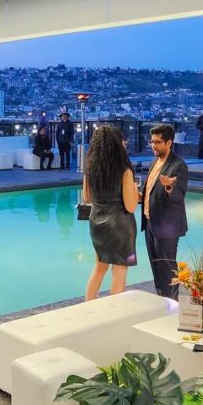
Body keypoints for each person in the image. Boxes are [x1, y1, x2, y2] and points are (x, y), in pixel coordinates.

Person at [83, 126, 138, 300]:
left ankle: (87, 307)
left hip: (97, 223)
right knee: (120, 269)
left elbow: (86, 198)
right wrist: (135, 191)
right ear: (117, 144)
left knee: (99, 267)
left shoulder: (90, 169)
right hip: (120, 226)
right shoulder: (125, 171)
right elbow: (130, 207)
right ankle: (115, 311)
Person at [140, 124, 189, 299]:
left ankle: (172, 304)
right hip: (150, 223)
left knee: (167, 269)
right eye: (152, 141)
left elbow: (179, 196)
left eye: (158, 142)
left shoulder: (179, 165)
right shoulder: (154, 162)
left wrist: (169, 187)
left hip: (167, 226)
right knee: (156, 266)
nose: (153, 145)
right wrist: (142, 196)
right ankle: (162, 300)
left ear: (169, 143)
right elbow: (153, 190)